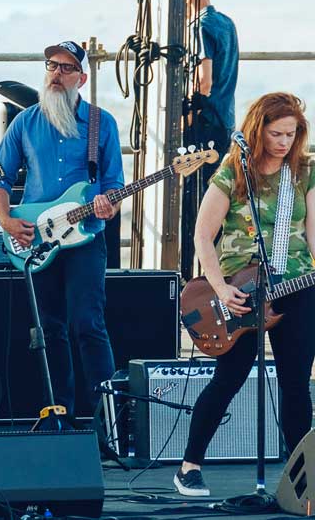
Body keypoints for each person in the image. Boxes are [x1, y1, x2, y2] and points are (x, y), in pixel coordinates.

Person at [175, 93, 315, 497]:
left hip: (297, 286)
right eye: (276, 133)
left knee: (295, 383)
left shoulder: (303, 171)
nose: (285, 141)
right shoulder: (235, 169)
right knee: (229, 378)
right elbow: (203, 235)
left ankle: (299, 479)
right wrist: (220, 288)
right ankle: (189, 466)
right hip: (240, 291)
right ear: (258, 130)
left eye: (292, 133)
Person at [0, 41, 124, 417]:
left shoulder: (102, 123)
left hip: (85, 239)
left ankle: (106, 422)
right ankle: (57, 415)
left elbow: (114, 184)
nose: (56, 74)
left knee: (88, 325)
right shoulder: (24, 123)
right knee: (49, 332)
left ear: (81, 78)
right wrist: (6, 220)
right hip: (36, 238)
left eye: (66, 69)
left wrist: (108, 204)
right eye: (52, 65)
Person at [187, 0, 239, 180]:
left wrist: (191, 116)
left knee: (197, 188)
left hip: (207, 119)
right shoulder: (226, 23)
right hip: (225, 117)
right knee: (216, 182)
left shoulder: (200, 25)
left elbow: (204, 81)